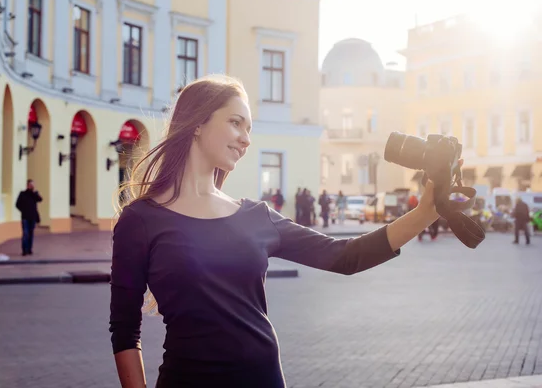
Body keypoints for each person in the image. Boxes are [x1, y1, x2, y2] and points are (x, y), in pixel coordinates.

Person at [109, 75, 447, 388]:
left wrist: (423, 215)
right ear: (198, 123)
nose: (246, 139)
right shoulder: (140, 220)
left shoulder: (256, 217)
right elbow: (124, 332)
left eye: (249, 128)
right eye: (235, 122)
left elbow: (345, 256)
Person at [15, 179, 42, 256]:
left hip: (32, 217)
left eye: (33, 185)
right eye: (30, 185)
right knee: (25, 233)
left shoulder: (35, 194)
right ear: (27, 185)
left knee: (31, 233)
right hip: (25, 217)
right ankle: (24, 250)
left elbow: (40, 199)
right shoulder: (23, 194)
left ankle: (29, 249)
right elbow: (17, 204)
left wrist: (34, 192)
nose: (32, 186)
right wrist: (23, 210)